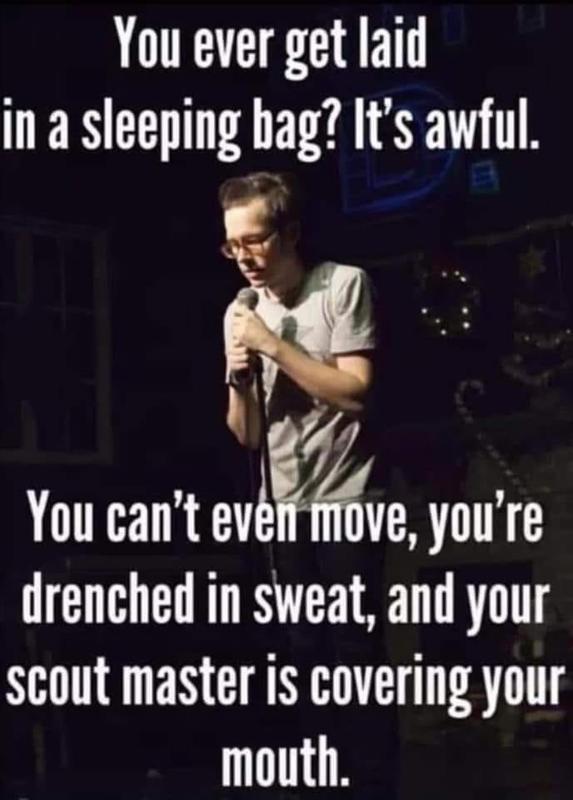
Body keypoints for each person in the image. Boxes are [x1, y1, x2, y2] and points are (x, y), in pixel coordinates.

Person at [220, 171, 397, 798]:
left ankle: (373, 784)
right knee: (303, 652)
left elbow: (355, 392)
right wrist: (239, 377)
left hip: (349, 501)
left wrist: (272, 346)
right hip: (283, 508)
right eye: (232, 245)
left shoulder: (342, 285)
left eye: (255, 240)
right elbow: (247, 435)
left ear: (290, 232)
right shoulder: (241, 313)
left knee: (353, 652)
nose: (244, 256)